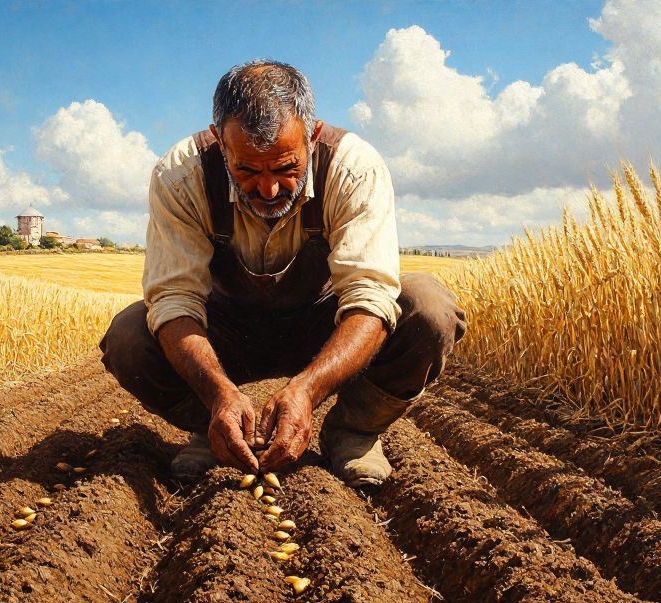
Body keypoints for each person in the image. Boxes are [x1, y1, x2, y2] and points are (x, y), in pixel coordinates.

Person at [99, 59, 466, 487]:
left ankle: (353, 430)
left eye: (287, 168)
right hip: (224, 331)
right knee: (129, 336)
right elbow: (174, 299)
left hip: (324, 327)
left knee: (429, 309)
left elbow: (370, 295)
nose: (269, 189)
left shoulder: (353, 167)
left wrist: (308, 391)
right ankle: (215, 427)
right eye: (247, 170)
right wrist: (218, 393)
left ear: (311, 135)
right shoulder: (180, 175)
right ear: (220, 141)